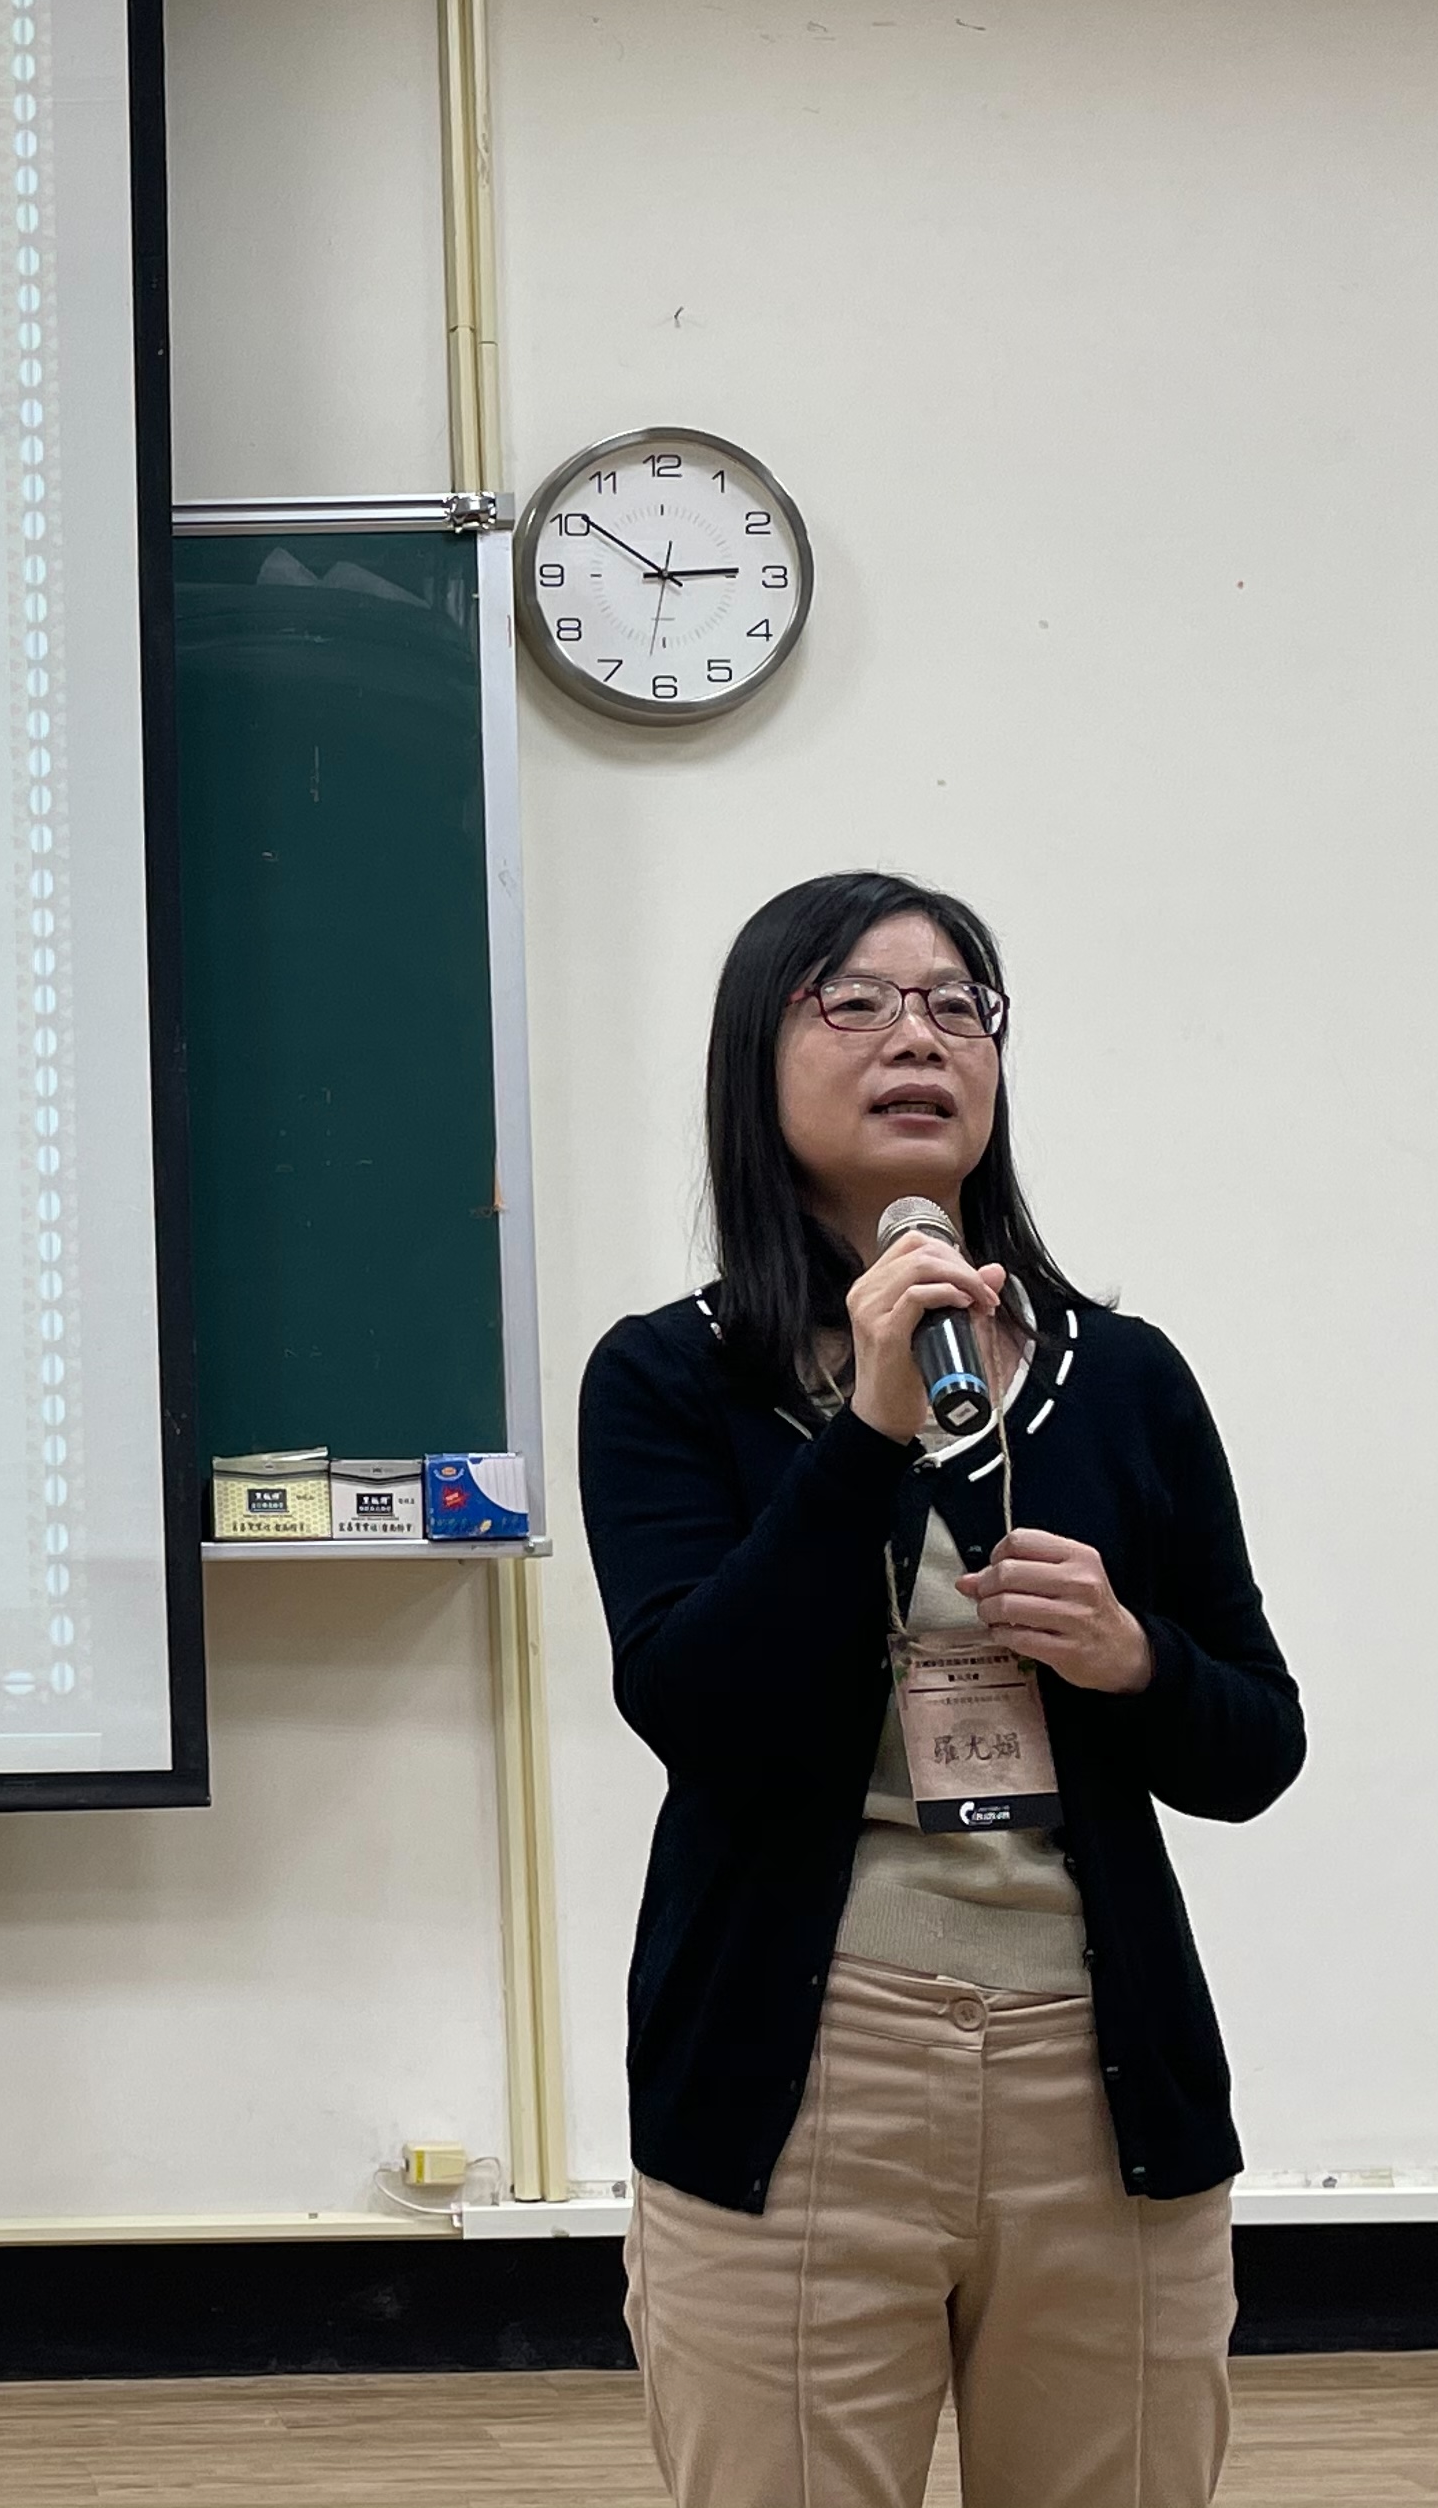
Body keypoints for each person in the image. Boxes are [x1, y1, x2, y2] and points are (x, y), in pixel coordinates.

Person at [575, 870, 1303, 2508]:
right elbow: (696, 1706)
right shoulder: (672, 1378)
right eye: (856, 1000)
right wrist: (869, 1429)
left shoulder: (1124, 1379)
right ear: (753, 1060)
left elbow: (1257, 1745)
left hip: (1100, 2075)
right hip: (802, 2068)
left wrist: (1133, 1658)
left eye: (957, 1004)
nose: (919, 1036)